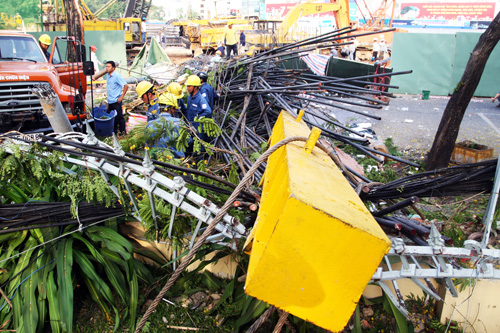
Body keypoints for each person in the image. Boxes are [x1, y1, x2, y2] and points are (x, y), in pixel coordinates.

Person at [147, 93, 185, 158]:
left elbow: (147, 145)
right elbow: (188, 141)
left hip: (156, 163)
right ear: (172, 108)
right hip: (176, 163)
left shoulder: (150, 124)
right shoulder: (179, 123)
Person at [185, 75, 212, 141]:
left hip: (199, 128)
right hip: (191, 126)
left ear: (195, 87)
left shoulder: (200, 99)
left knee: (200, 146)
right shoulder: (190, 97)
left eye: (189, 86)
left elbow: (208, 111)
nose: (188, 88)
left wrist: (196, 119)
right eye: (187, 86)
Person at [105, 61, 128, 134]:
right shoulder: (108, 76)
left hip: (116, 100)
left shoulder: (117, 76)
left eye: (109, 67)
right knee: (112, 117)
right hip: (110, 100)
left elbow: (126, 85)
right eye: (106, 66)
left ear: (113, 68)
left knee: (119, 117)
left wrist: (121, 96)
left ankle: (122, 132)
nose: (107, 68)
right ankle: (114, 131)